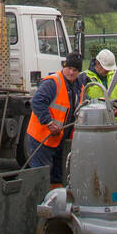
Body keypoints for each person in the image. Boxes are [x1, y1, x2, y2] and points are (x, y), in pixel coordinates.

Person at [26, 51, 84, 188]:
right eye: (69, 68)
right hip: (42, 137)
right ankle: (39, 204)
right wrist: (49, 122)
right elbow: (36, 102)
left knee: (58, 175)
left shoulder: (79, 88)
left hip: (59, 139)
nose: (71, 72)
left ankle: (55, 203)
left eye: (75, 70)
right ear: (64, 66)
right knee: (41, 175)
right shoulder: (53, 83)